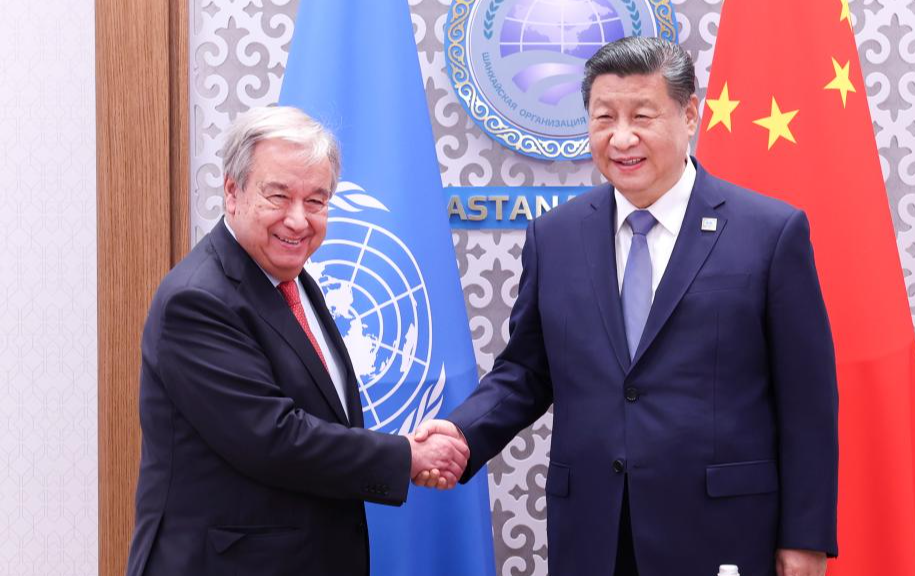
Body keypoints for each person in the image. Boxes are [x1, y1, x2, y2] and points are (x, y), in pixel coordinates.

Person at [416, 37, 839, 576]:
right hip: (595, 533)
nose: (621, 138)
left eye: (642, 115)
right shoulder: (556, 236)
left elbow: (807, 401)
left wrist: (805, 538)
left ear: (689, 115)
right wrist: (461, 433)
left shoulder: (769, 233)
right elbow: (525, 371)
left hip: (723, 532)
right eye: (603, 117)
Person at [125, 106, 467, 576]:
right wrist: (407, 456)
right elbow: (273, 437)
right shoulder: (198, 300)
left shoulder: (291, 278)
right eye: (278, 196)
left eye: (316, 201)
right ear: (232, 191)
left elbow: (324, 414)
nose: (298, 220)